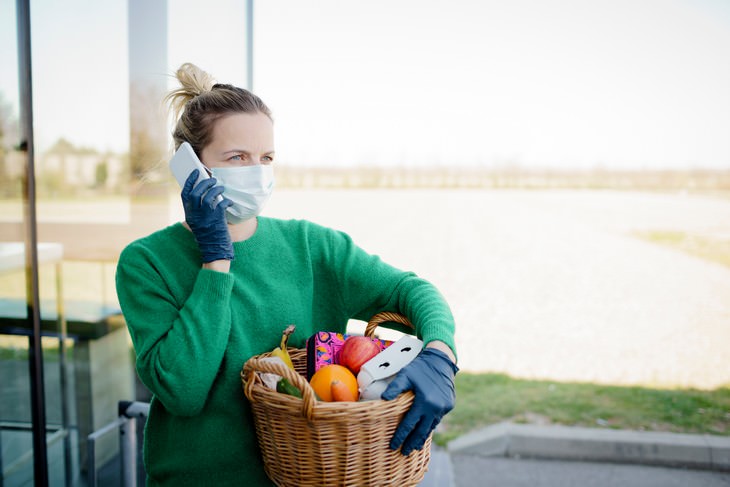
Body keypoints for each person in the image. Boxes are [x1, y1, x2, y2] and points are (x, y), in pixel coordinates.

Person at [115, 62, 458, 486]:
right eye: (237, 157)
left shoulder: (311, 246)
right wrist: (216, 261)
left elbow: (412, 290)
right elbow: (183, 391)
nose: (257, 171)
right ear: (190, 165)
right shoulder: (146, 262)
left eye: (266, 157)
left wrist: (441, 354)